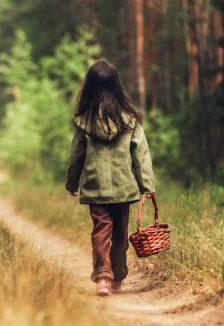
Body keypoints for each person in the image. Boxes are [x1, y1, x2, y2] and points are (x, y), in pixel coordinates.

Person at [65, 60, 156, 296]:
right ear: (117, 86)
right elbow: (141, 155)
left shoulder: (84, 122)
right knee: (120, 235)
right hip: (124, 188)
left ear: (90, 88)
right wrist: (147, 185)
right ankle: (117, 276)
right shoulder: (130, 121)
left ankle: (103, 277)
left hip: (96, 189)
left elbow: (76, 156)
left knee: (101, 230)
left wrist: (72, 183)